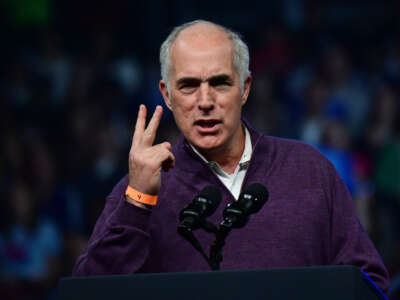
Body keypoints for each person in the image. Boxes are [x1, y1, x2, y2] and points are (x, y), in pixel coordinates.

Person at [73, 20, 390, 295]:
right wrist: (138, 203)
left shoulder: (308, 170)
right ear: (166, 95)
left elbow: (369, 283)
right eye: (188, 86)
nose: (205, 101)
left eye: (220, 82)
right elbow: (90, 291)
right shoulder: (142, 188)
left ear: (245, 87)